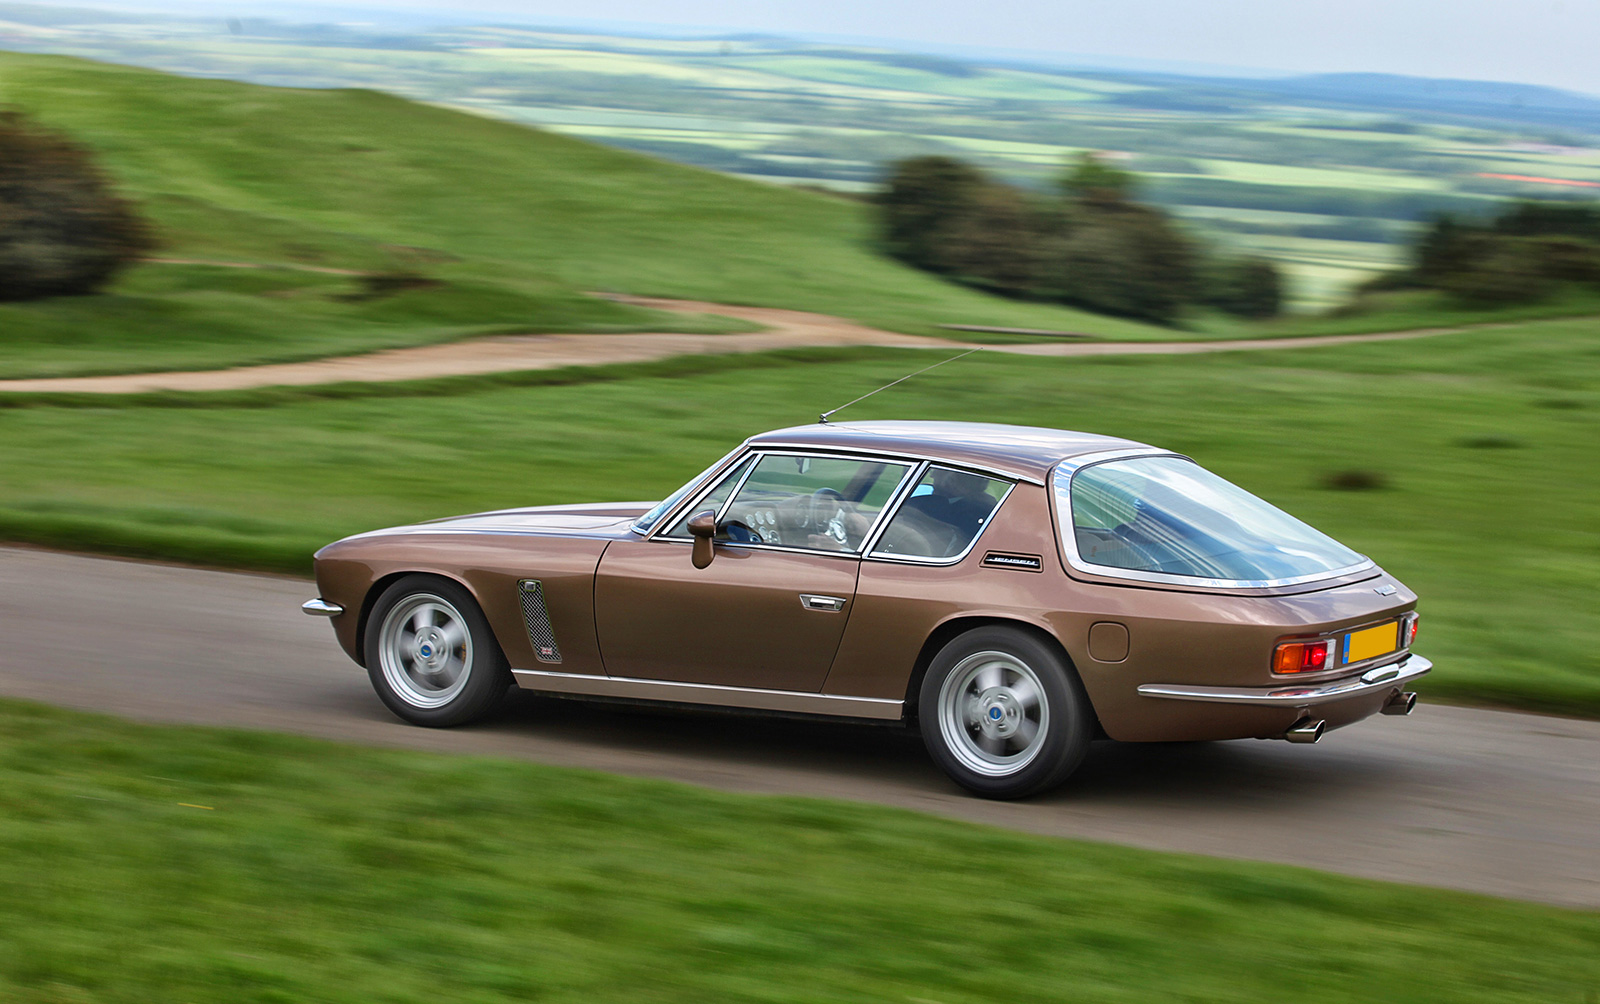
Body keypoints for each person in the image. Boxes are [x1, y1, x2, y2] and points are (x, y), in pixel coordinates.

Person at [902, 468, 996, 547]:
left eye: (936, 471)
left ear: (952, 479)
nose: (932, 475)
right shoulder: (989, 507)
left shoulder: (927, 506)